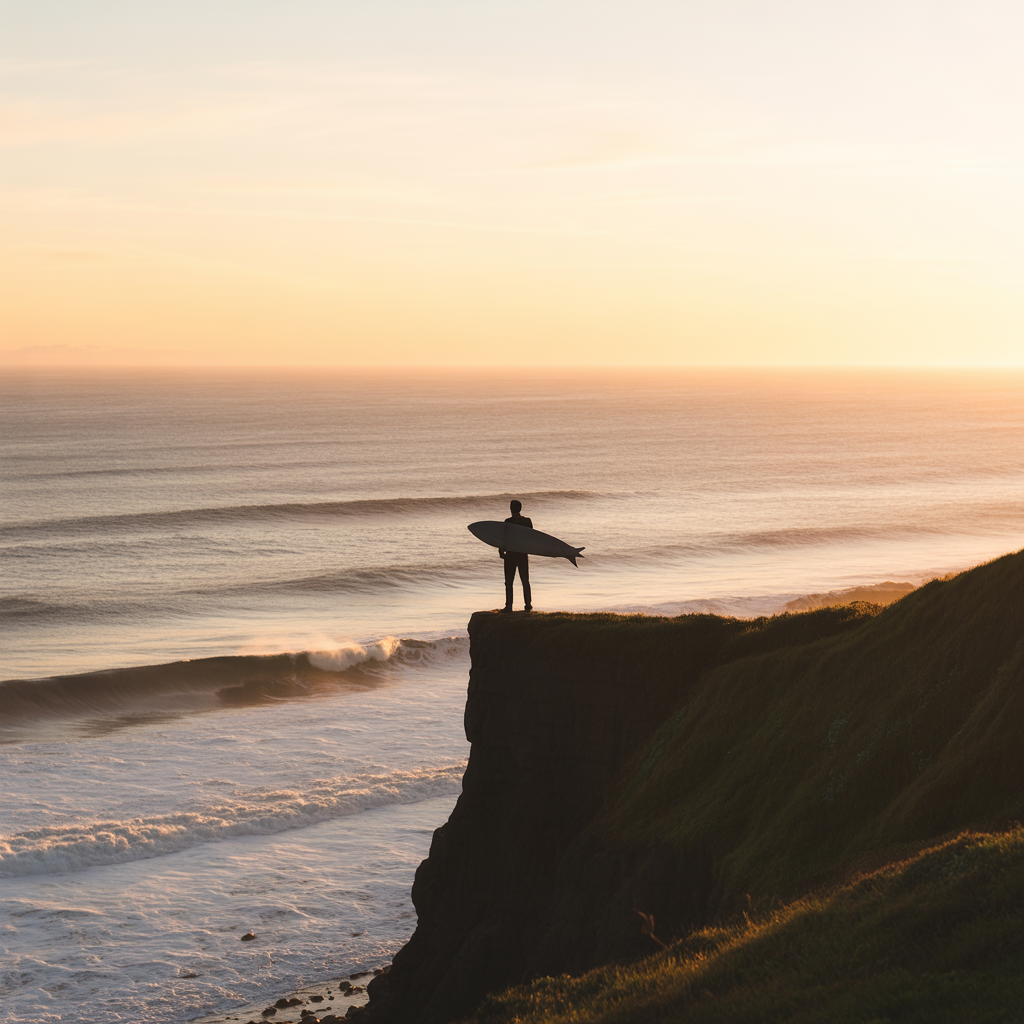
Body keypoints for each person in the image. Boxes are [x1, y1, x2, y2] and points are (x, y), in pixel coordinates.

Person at [499, 499, 532, 612]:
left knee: (509, 582)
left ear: (510, 509)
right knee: (525, 581)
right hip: (522, 554)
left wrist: (501, 551)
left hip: (510, 555)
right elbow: (532, 537)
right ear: (520, 509)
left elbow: (503, 538)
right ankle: (528, 605)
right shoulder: (527, 521)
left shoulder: (507, 522)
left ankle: (509, 606)